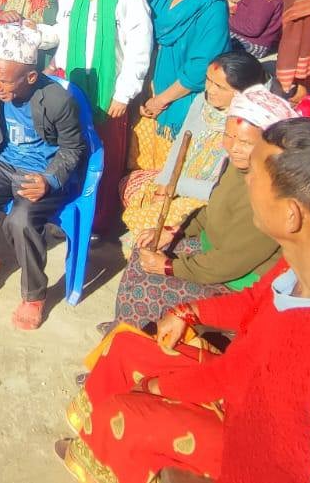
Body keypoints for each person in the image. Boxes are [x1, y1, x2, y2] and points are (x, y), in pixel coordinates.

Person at [57, 115, 310, 483]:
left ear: (292, 214)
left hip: (258, 453)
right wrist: (189, 311)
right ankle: (95, 448)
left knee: (128, 414)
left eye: (256, 172)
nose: (246, 178)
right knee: (126, 348)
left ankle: (114, 450)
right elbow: (256, 302)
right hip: (245, 391)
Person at [110, 84, 295, 328]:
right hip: (212, 250)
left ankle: (133, 339)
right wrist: (174, 231)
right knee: (142, 249)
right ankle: (122, 328)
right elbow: (210, 212)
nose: (233, 147)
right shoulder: (236, 167)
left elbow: (228, 263)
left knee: (147, 289)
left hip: (238, 284)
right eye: (228, 136)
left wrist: (168, 266)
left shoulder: (271, 193)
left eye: (245, 142)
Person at [0, 24, 85, 331]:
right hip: (3, 162)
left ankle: (34, 295)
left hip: (40, 171)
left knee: (20, 221)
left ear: (30, 77)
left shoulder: (57, 100)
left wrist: (49, 180)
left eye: (5, 81)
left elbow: (74, 148)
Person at [41, 0, 152, 233]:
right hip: (73, 86)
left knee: (104, 156)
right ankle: (69, 215)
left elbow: (139, 47)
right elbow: (61, 33)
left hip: (108, 91)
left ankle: (99, 221)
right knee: (70, 151)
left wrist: (124, 93)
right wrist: (34, 33)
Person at [121, 51, 267, 238]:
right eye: (208, 80)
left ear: (242, 92)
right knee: (130, 186)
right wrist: (164, 185)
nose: (210, 89)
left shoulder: (247, 128)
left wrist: (175, 185)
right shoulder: (202, 102)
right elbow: (181, 142)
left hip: (207, 198)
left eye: (220, 87)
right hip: (178, 182)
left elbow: (223, 189)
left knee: (143, 230)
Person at [130, 0, 230, 176]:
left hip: (183, 95)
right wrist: (143, 93)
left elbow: (201, 65)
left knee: (169, 171)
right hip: (149, 90)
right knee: (140, 164)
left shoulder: (212, 5)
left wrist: (161, 100)